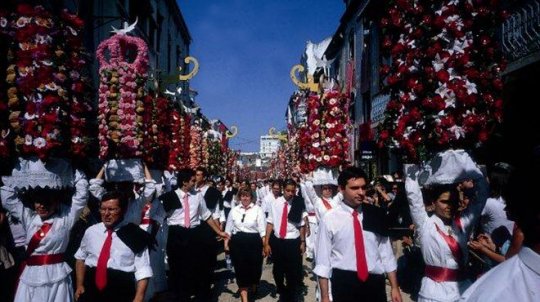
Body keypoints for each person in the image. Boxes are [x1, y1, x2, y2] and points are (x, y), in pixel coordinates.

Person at [405, 150, 488, 302]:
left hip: (463, 290)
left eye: (453, 202)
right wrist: (413, 168)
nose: (449, 206)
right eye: (444, 202)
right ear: (433, 203)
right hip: (433, 293)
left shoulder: (463, 223)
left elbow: (481, 197)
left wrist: (472, 168)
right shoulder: (425, 223)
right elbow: (413, 197)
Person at [460, 150, 540, 301]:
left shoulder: (490, 204)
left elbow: (507, 259)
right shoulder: (496, 293)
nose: (504, 210)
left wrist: (484, 248)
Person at [314, 167, 402, 302]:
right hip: (344, 283)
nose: (361, 192)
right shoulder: (330, 219)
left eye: (363, 187)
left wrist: (395, 287)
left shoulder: (375, 214)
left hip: (374, 284)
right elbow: (323, 261)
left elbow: (386, 253)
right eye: (354, 188)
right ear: (341, 189)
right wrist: (325, 296)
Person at [1, 170, 88, 302]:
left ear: (56, 203)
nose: (41, 206)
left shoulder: (66, 218)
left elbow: (81, 197)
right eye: (38, 202)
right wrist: (18, 172)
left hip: (57, 275)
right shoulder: (29, 218)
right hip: (31, 275)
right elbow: (7, 198)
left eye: (47, 202)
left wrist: (71, 170)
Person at [159, 168, 229, 301]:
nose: (194, 182)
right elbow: (159, 217)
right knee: (177, 269)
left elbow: (207, 216)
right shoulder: (170, 197)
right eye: (192, 180)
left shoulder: (197, 196)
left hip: (193, 235)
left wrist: (219, 231)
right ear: (184, 182)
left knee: (196, 267)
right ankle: (181, 296)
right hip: (176, 235)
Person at [74, 191, 153, 302]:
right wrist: (79, 285)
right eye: (102, 209)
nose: (106, 213)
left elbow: (143, 270)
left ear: (123, 210)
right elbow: (80, 258)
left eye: (111, 209)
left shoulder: (135, 235)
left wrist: (138, 298)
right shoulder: (91, 231)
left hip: (120, 291)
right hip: (91, 290)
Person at [264, 179, 306, 302]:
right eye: (288, 190)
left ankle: (291, 295)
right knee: (277, 270)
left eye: (293, 191)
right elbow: (270, 222)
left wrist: (303, 242)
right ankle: (281, 288)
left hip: (293, 240)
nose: (290, 193)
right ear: (283, 190)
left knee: (292, 271)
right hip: (278, 241)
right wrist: (266, 242)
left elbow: (302, 224)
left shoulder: (298, 203)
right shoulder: (275, 203)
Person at [224, 187, 266, 302]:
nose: (245, 198)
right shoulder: (234, 210)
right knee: (240, 269)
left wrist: (265, 245)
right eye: (243, 196)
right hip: (238, 243)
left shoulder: (258, 210)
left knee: (254, 269)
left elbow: (262, 230)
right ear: (239, 197)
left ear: (251, 197)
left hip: (254, 242)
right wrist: (226, 244)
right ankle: (244, 297)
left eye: (247, 196)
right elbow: (228, 229)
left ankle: (254, 284)